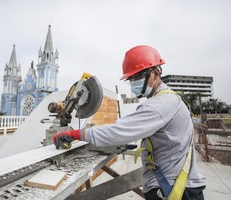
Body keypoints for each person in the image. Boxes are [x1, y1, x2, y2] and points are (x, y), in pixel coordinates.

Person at [53, 45, 206, 200]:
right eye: (131, 80)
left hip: (173, 190)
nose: (133, 83)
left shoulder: (160, 104)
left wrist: (76, 134)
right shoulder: (168, 99)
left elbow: (117, 132)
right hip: (175, 185)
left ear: (155, 74)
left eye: (137, 78)